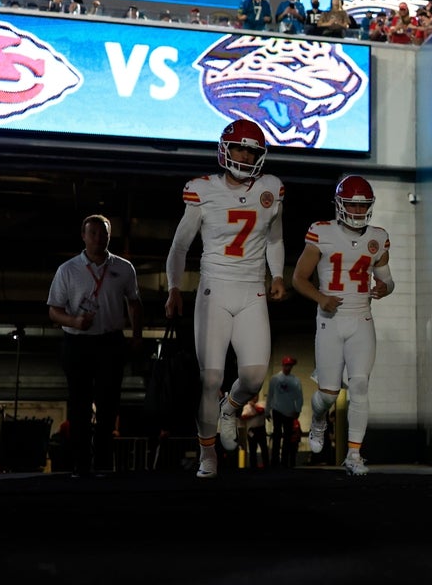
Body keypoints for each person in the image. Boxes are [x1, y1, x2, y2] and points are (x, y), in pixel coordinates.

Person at [164, 119, 286, 479]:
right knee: (209, 378)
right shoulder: (203, 189)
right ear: (225, 149)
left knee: (253, 377)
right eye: (240, 148)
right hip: (214, 289)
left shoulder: (271, 188)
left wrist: (277, 274)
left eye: (252, 150)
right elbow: (179, 246)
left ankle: (230, 409)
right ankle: (207, 453)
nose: (245, 155)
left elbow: (275, 239)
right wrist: (173, 288)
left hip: (253, 290)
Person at [292, 174, 395, 477]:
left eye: (362, 206)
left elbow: (388, 280)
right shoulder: (321, 232)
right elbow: (298, 278)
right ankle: (319, 420)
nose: (358, 211)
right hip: (330, 321)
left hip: (362, 318)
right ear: (339, 204)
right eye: (351, 204)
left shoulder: (378, 236)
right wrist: (320, 297)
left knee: (360, 385)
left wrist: (383, 288)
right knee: (328, 393)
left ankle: (354, 454)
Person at [47, 214, 144, 478]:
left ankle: (103, 463)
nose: (98, 238)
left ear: (109, 237)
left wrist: (137, 336)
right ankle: (80, 465)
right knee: (78, 405)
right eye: (93, 234)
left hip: (110, 342)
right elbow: (53, 311)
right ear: (83, 236)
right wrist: (74, 322)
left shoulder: (124, 268)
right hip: (77, 343)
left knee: (108, 405)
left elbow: (134, 303)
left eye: (104, 234)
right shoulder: (67, 269)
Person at [266, 355, 302, 469]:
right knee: (277, 435)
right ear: (283, 366)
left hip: (289, 412)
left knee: (287, 437)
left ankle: (284, 461)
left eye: (290, 366)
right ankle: (275, 461)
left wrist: (298, 410)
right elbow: (270, 395)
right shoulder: (275, 379)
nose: (288, 368)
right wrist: (267, 411)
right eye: (286, 365)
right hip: (277, 410)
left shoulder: (295, 381)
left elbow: (299, 397)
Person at [240, 395, 268, 469]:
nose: (254, 398)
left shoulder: (262, 403)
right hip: (251, 430)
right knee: (252, 449)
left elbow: (261, 411)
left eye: (256, 396)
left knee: (264, 448)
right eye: (253, 396)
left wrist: (254, 406)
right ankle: (253, 467)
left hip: (261, 429)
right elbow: (243, 417)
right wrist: (254, 414)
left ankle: (266, 465)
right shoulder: (246, 407)